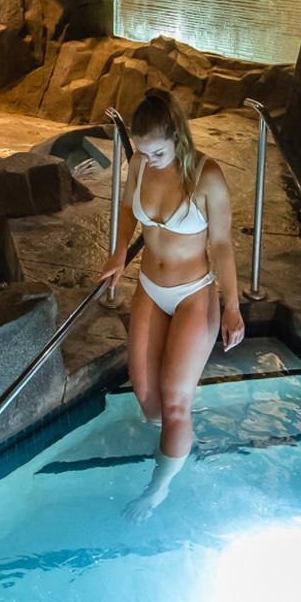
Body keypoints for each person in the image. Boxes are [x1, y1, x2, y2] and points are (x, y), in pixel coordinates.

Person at [99, 88, 245, 520]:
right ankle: (179, 451)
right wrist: (120, 250)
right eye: (142, 152)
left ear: (178, 137)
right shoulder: (139, 164)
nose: (149, 159)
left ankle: (158, 489)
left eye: (157, 151)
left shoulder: (207, 177)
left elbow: (220, 244)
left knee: (175, 401)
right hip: (149, 286)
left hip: (193, 293)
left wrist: (233, 306)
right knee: (147, 399)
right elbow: (129, 209)